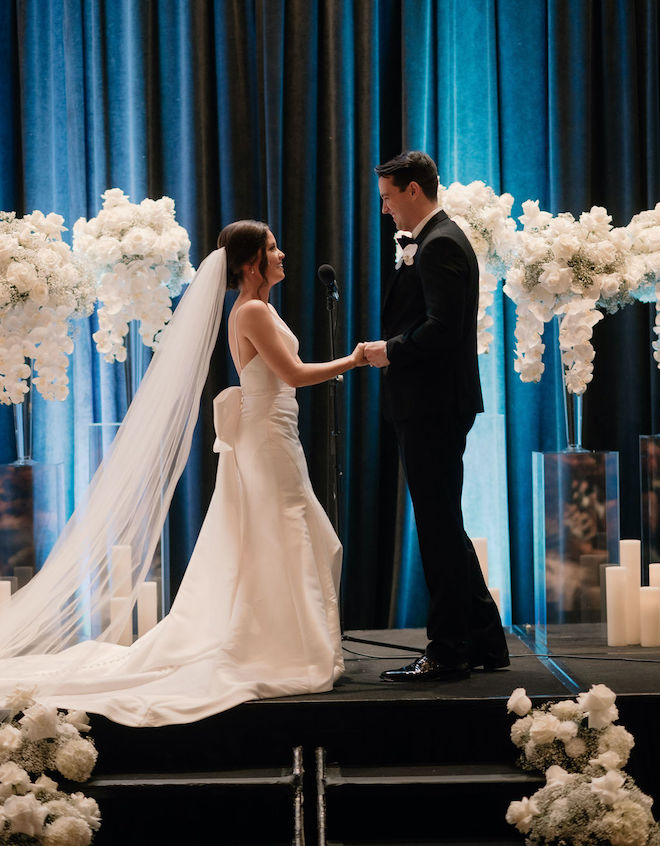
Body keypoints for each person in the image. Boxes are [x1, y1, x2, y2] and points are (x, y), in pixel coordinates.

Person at [0, 220, 366, 726]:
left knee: (287, 535)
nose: (283, 255)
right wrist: (356, 359)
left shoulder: (259, 308)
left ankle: (288, 640)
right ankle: (288, 648)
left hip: (276, 434)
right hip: (267, 438)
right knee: (289, 533)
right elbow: (295, 375)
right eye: (273, 248)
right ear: (251, 262)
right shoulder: (254, 310)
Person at [364, 151, 509, 682]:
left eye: (387, 198)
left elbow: (442, 330)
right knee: (445, 524)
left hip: (432, 405)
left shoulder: (440, 243)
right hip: (432, 403)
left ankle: (447, 651)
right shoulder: (436, 240)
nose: (385, 210)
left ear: (412, 192)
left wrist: (389, 350)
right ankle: (488, 643)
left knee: (437, 529)